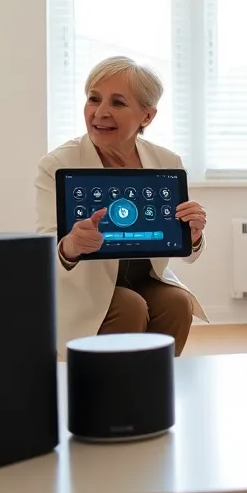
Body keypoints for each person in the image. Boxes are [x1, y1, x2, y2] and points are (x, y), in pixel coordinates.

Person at [35, 56, 209, 357]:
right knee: (130, 306)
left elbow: (183, 248)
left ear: (147, 117)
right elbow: (48, 247)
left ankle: (153, 386)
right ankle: (108, 394)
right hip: (84, 285)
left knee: (178, 302)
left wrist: (192, 235)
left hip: (144, 276)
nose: (100, 112)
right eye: (93, 99)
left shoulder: (167, 162)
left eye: (117, 103)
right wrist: (71, 245)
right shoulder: (58, 164)